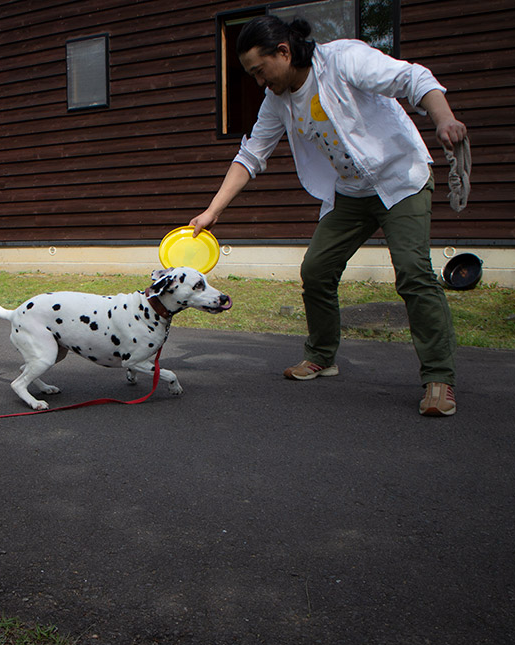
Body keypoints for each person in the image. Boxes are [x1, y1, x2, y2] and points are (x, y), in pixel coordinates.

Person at [189, 15, 466, 417]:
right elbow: (251, 154)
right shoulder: (277, 101)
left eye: (259, 71)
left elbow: (412, 78)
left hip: (400, 180)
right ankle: (321, 355)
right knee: (317, 270)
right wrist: (213, 210)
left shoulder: (343, 59)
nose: (258, 82)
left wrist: (444, 119)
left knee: (412, 271)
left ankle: (439, 378)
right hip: (351, 193)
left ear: (283, 52)